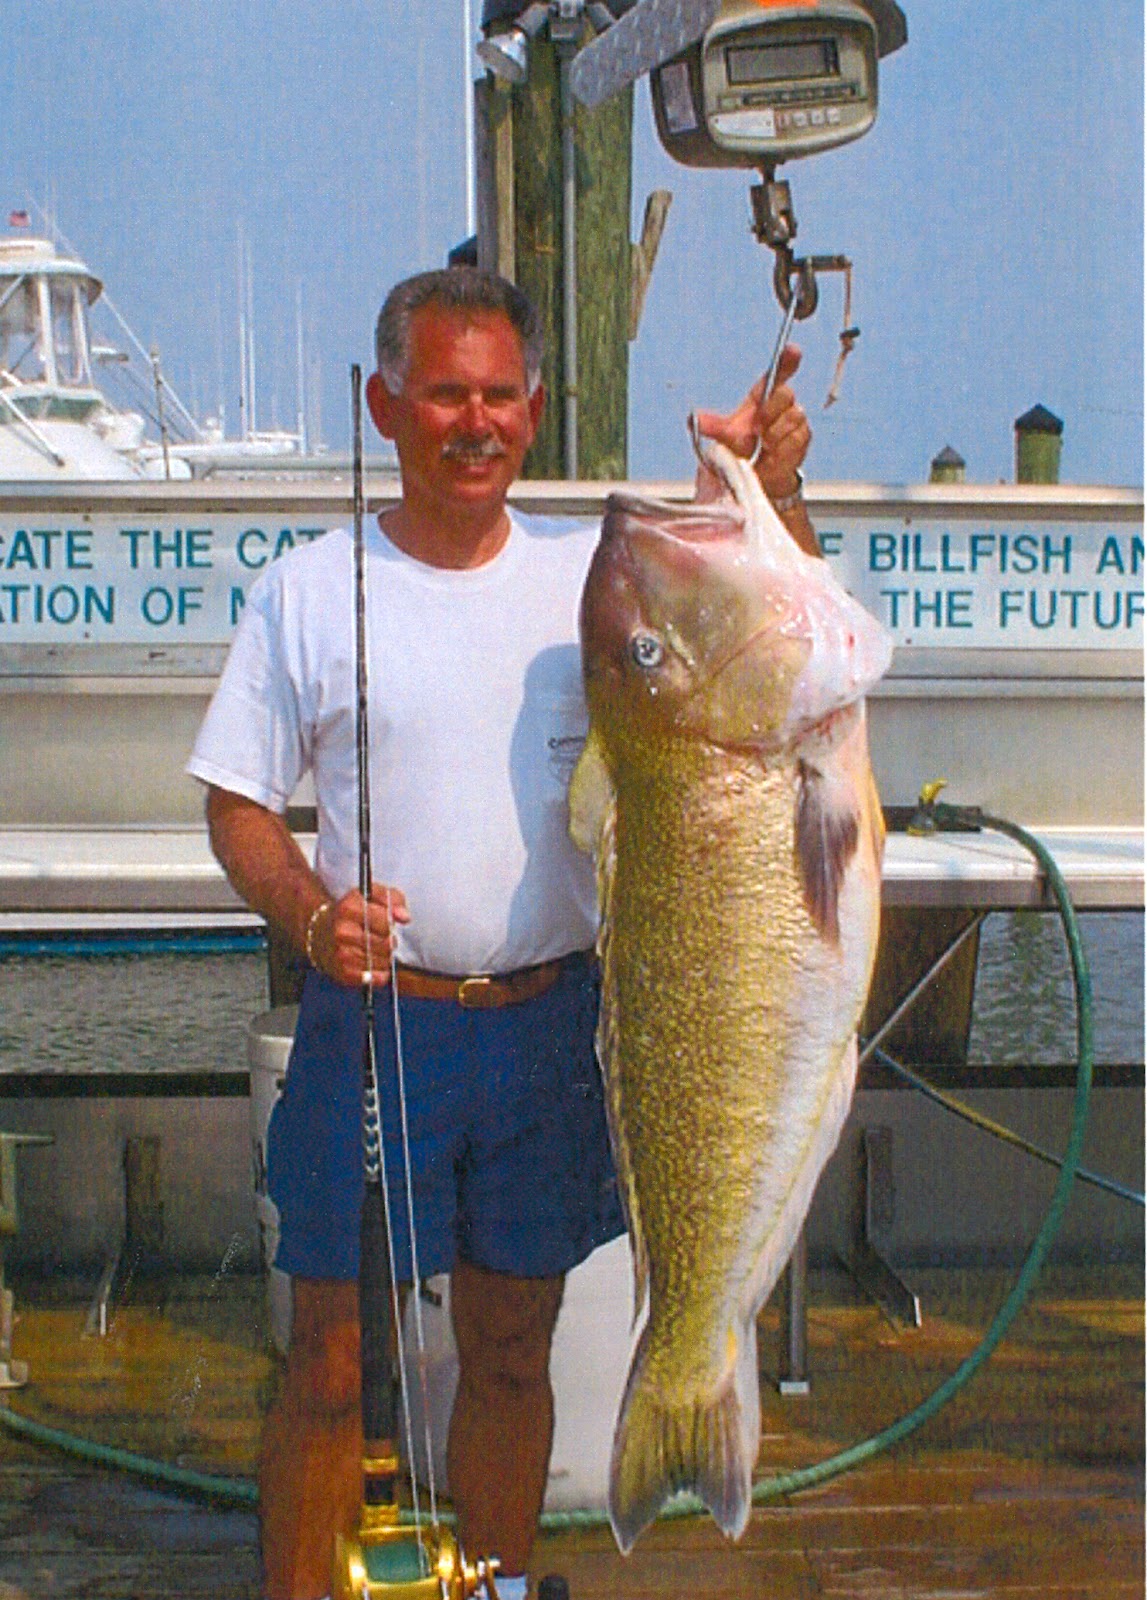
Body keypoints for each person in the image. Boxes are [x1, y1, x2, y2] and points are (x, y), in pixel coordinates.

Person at [188, 267, 813, 1600]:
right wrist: (308, 912)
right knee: (331, 1363)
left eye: (498, 396)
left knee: (513, 1351)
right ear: (385, 405)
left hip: (552, 1025)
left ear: (533, 410)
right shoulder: (309, 589)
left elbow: (770, 632)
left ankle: (498, 1586)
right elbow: (235, 800)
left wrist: (769, 481)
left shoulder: (596, 580)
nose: (472, 422)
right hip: (375, 1022)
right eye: (441, 393)